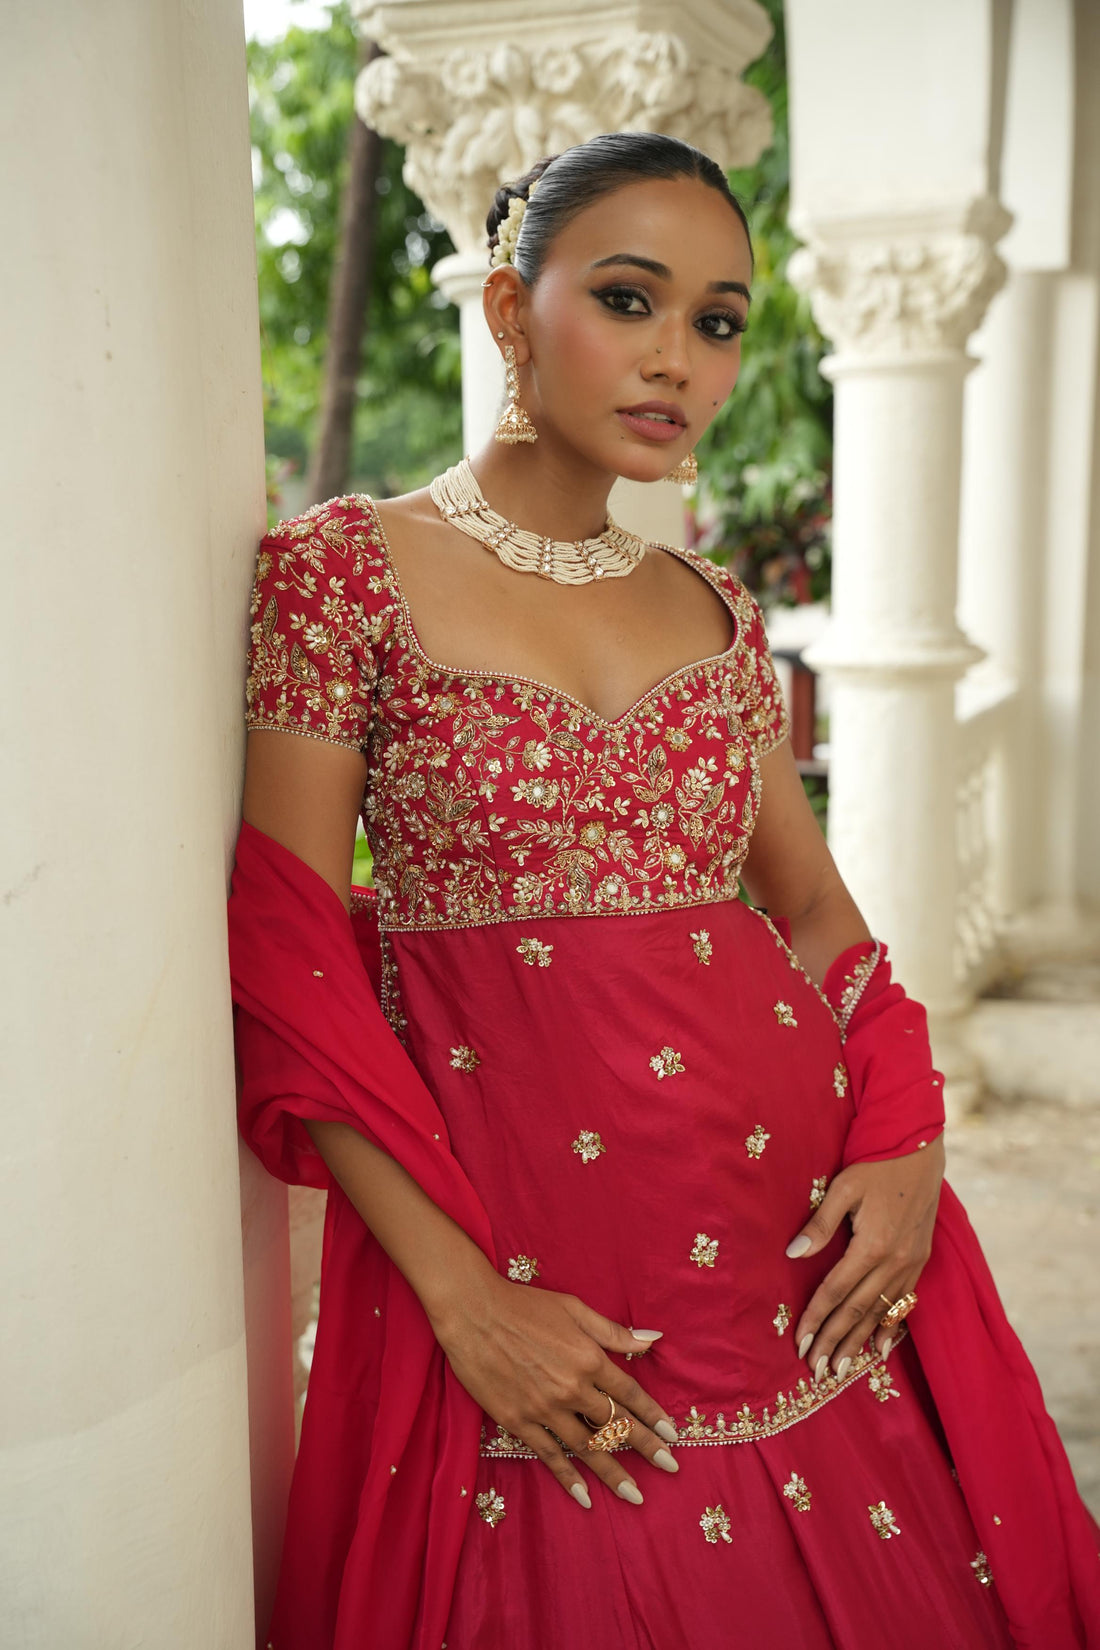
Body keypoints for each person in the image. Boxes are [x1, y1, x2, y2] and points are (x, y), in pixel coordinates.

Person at [228, 132, 1100, 1650]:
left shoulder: (715, 606)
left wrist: (906, 1127)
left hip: (796, 1235)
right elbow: (292, 964)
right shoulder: (343, 574)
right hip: (524, 1244)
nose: (678, 360)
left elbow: (817, 912)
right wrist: (462, 1296)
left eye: (716, 320)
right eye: (630, 300)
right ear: (510, 308)